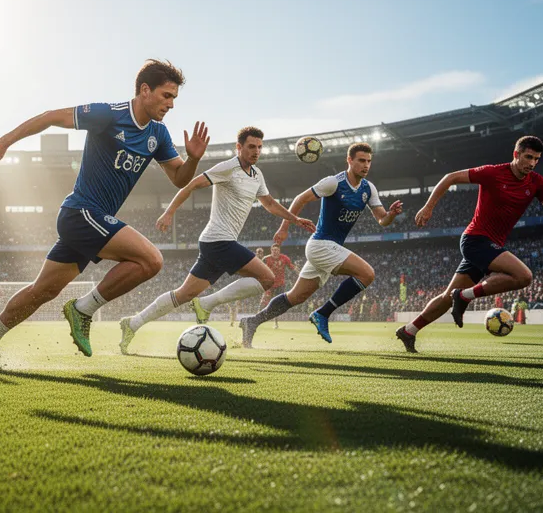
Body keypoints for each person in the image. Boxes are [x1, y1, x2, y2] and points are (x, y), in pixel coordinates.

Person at [0, 59, 209, 368]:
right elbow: (49, 118)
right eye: (167, 95)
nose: (171, 104)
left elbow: (179, 178)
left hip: (91, 222)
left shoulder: (159, 135)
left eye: (175, 98)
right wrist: (5, 141)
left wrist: (192, 160)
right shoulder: (108, 115)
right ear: (145, 90)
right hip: (80, 213)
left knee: (42, 291)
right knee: (151, 260)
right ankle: (84, 309)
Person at [118, 127, 314, 353]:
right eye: (251, 146)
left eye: (259, 147)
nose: (256, 151)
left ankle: (132, 323)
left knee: (184, 294)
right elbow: (191, 184)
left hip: (215, 242)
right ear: (239, 147)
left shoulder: (256, 175)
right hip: (219, 241)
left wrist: (294, 219)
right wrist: (169, 211)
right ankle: (207, 303)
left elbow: (269, 204)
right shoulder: (228, 168)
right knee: (267, 279)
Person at [396, 136, 543, 353]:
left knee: (447, 297)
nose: (532, 163)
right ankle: (465, 296)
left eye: (536, 159)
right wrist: (428, 207)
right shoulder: (493, 173)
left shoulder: (536, 182)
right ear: (516, 154)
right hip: (475, 240)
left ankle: (409, 330)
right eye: (528, 157)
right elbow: (450, 177)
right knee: (524, 277)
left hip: (489, 245)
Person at [239, 142, 403, 348]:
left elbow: (382, 220)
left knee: (295, 297)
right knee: (367, 274)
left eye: (369, 161)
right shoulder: (334, 183)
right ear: (349, 160)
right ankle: (322, 314)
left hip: (329, 248)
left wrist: (391, 215)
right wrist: (284, 227)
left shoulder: (368, 189)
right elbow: (300, 199)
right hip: (320, 245)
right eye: (361, 160)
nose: (366, 165)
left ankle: (251, 322)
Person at [262, 244, 298, 328]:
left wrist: (300, 273)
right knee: (264, 301)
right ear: (271, 251)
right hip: (269, 284)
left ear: (279, 251)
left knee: (277, 304)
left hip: (280, 285)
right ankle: (256, 318)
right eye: (273, 250)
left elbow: (292, 267)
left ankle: (275, 322)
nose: (275, 252)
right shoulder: (266, 259)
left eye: (277, 250)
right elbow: (259, 269)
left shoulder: (284, 258)